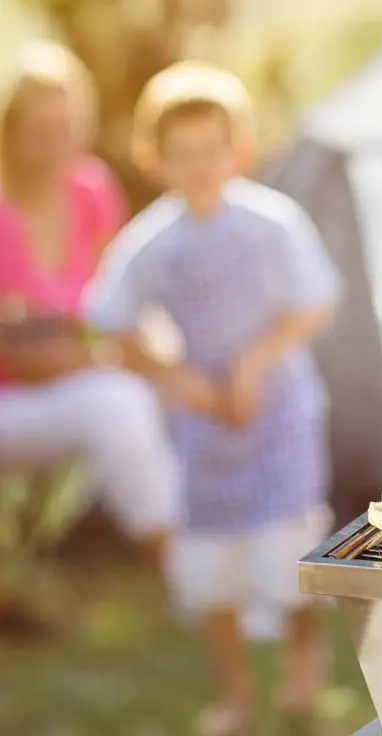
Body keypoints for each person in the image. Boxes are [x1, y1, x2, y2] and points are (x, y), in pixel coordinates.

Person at [84, 61, 342, 736]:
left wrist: (255, 362)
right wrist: (175, 377)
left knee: (287, 558)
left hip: (279, 415)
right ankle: (234, 694)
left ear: (240, 150)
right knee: (212, 570)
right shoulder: (152, 242)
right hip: (204, 428)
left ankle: (302, 663)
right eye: (183, 154)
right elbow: (107, 324)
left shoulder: (271, 222)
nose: (199, 166)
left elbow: (315, 301)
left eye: (212, 149)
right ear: (155, 159)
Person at [0, 39, 179, 563]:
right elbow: (21, 355)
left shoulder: (91, 189)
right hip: (15, 397)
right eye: (40, 129)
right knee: (117, 403)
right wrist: (103, 354)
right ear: (10, 130)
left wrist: (153, 359)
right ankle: (177, 559)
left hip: (82, 371)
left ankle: (228, 531)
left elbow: (121, 300)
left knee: (180, 371)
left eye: (66, 128)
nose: (55, 143)